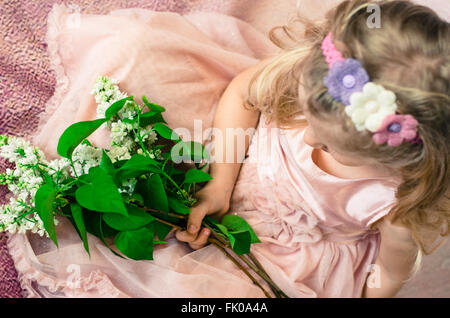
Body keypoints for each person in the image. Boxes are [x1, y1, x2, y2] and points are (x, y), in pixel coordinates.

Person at [7, 0, 449, 298]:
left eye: (331, 143)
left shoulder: (400, 203)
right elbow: (243, 93)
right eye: (310, 123)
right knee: (134, 55)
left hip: (288, 251)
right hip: (233, 149)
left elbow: (388, 275)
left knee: (209, 296)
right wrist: (220, 183)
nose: (310, 140)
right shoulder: (317, 75)